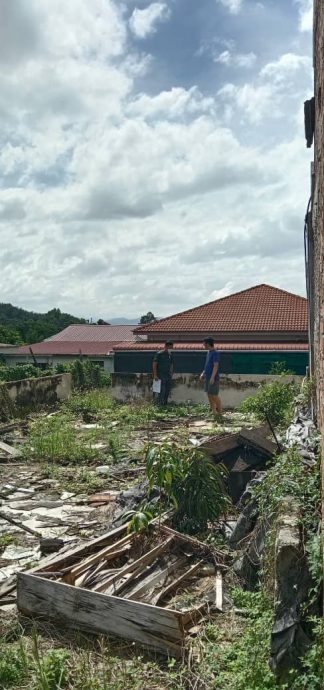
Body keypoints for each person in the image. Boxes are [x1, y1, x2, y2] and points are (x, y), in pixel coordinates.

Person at [200, 337, 222, 417]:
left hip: (213, 378)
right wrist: (203, 373)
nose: (203, 345)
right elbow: (207, 365)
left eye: (204, 344)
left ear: (208, 344)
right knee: (209, 394)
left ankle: (220, 412)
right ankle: (213, 411)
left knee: (214, 395)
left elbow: (216, 365)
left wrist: (212, 377)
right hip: (207, 377)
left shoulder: (215, 353)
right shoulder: (208, 353)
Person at [153, 341, 174, 406]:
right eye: (171, 347)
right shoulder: (159, 354)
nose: (171, 348)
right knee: (162, 390)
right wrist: (155, 375)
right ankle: (160, 404)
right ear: (166, 346)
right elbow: (154, 364)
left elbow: (171, 364)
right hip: (160, 375)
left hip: (168, 375)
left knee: (167, 390)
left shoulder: (170, 355)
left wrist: (171, 373)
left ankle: (165, 403)